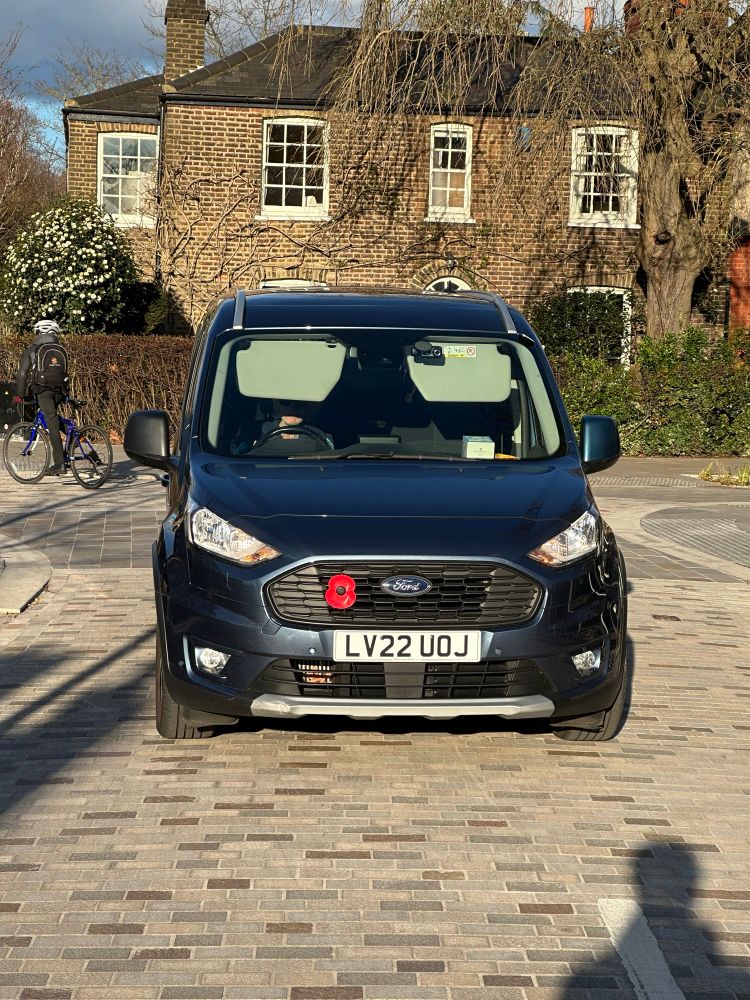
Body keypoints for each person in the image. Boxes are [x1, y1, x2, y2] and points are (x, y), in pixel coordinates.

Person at [13, 319, 69, 476]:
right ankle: (76, 439)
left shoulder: (33, 349)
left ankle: (59, 464)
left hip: (43, 390)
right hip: (59, 390)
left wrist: (20, 395)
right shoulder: (60, 349)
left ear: (38, 332)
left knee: (51, 423)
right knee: (54, 418)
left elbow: (23, 373)